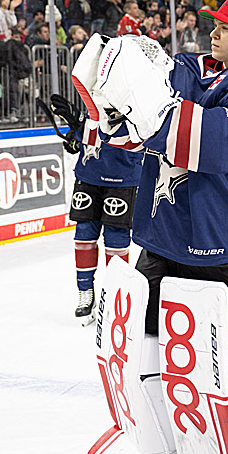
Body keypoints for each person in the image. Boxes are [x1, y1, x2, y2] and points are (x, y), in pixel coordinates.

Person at [73, 0, 228, 454]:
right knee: (141, 355)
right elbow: (136, 122)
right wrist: (110, 97)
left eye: (226, 27)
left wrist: (151, 111)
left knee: (209, 366)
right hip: (167, 238)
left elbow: (211, 148)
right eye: (214, 24)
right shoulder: (191, 70)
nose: (214, 32)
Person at [45, 93, 144, 322]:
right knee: (83, 236)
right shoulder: (96, 87)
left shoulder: (136, 90)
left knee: (116, 239)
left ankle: (114, 295)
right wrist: (77, 133)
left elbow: (135, 130)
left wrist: (80, 121)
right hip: (90, 174)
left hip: (123, 176)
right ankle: (85, 293)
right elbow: (94, 120)